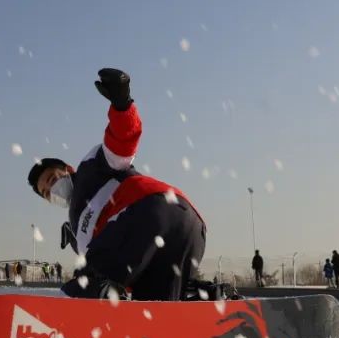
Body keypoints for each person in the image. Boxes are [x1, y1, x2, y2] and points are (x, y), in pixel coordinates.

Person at [27, 68, 206, 301]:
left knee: (85, 286)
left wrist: (122, 105)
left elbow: (120, 146)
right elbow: (116, 256)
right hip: (190, 225)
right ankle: (205, 296)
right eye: (46, 193)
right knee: (155, 308)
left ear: (68, 169)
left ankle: (61, 325)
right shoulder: (80, 222)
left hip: (149, 211)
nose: (52, 191)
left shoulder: (90, 168)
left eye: (51, 180)